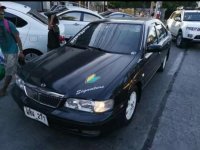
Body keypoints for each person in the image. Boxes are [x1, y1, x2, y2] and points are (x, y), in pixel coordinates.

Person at [0, 3, 24, 96]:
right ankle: (21, 79)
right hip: (3, 50)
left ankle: (4, 89)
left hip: (12, 50)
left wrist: (21, 51)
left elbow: (17, 38)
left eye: (2, 10)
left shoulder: (9, 24)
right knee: (12, 69)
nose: (1, 12)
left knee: (9, 70)